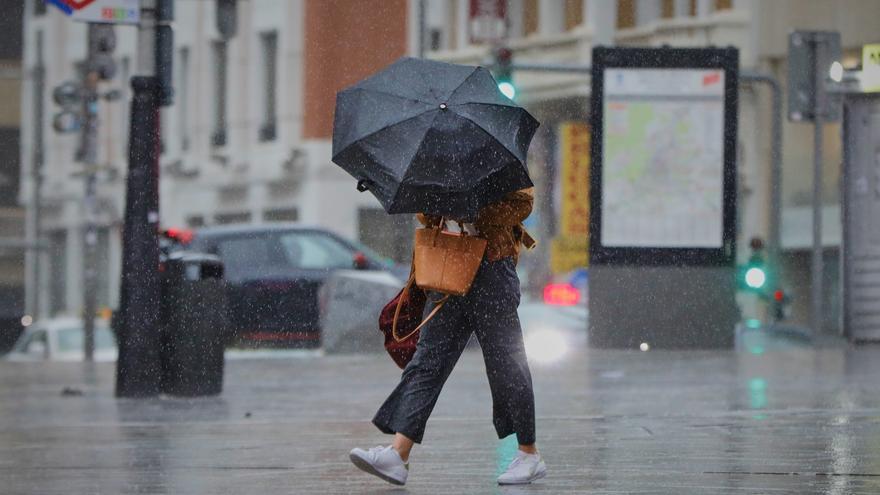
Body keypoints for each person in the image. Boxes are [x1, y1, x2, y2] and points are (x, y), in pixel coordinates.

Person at [349, 187, 546, 486]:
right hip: (448, 264)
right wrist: (436, 203)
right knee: (428, 360)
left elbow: (521, 205)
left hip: (492, 269)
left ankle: (529, 452)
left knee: (506, 363)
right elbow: (425, 214)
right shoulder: (439, 159)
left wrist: (472, 210)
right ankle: (398, 454)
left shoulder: (498, 157)